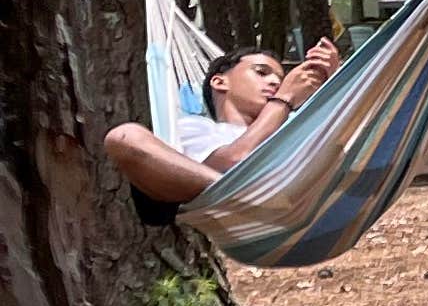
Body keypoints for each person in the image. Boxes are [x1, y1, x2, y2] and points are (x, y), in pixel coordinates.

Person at [106, 37, 343, 224]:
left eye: (280, 79)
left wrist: (336, 82)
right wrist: (283, 100)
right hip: (242, 202)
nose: (274, 82)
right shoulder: (194, 127)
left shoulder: (292, 124)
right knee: (124, 136)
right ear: (220, 82)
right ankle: (240, 198)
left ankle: (245, 199)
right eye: (261, 72)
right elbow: (233, 162)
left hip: (294, 200)